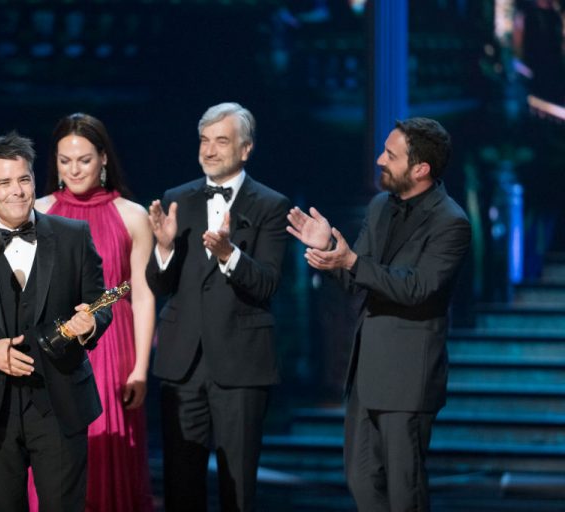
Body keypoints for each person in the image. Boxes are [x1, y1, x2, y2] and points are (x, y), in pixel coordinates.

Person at [287, 117, 471, 511]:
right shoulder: (379, 206)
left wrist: (351, 261)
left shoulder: (451, 222)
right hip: (367, 372)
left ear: (420, 169)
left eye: (391, 155)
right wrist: (330, 252)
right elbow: (358, 280)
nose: (379, 160)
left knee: (404, 491)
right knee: (362, 481)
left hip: (408, 377)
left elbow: (416, 287)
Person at [0, 132, 111, 512]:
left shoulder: (73, 236)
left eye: (24, 179)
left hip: (61, 402)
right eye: (4, 182)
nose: (17, 191)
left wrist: (91, 322)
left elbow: (100, 302)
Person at [146, 102, 290, 511]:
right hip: (182, 363)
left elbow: (268, 283)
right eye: (204, 141)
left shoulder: (271, 205)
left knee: (237, 487)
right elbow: (159, 284)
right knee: (180, 484)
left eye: (221, 141)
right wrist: (164, 248)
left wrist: (229, 255)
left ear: (246, 149)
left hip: (241, 363)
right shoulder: (177, 199)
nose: (208, 150)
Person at [29, 113, 154, 511]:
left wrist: (140, 368)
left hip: (113, 348)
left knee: (108, 451)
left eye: (83, 160)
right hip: (55, 347)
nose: (74, 169)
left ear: (103, 158)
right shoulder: (38, 212)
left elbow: (141, 294)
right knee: (53, 454)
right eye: (64, 160)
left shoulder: (132, 215)